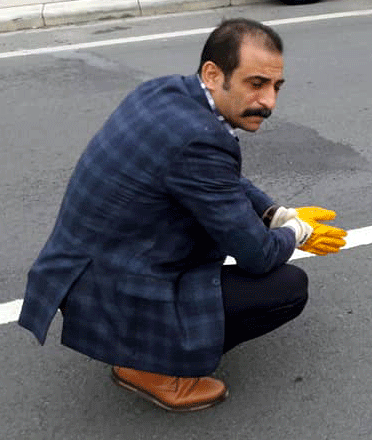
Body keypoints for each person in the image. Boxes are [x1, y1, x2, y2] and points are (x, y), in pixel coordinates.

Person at [18, 18, 346, 412]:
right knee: (286, 287)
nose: (269, 102)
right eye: (256, 84)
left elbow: (222, 181)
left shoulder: (164, 92)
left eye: (276, 87)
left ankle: (142, 344)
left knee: (214, 239)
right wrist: (297, 232)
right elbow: (257, 256)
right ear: (213, 73)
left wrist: (274, 213)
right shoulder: (201, 139)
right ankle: (152, 367)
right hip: (112, 295)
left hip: (83, 271)